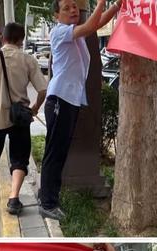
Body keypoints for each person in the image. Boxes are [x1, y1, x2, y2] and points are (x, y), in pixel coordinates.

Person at [38, 0, 122, 220]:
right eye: (66, 8)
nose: (73, 10)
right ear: (56, 16)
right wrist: (103, 2)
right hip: (60, 100)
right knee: (55, 153)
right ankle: (48, 203)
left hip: (69, 100)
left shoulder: (74, 34)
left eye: (74, 6)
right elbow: (90, 26)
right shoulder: (60, 32)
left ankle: (48, 197)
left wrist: (115, 7)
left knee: (59, 151)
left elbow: (95, 25)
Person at [0, 22, 47, 219]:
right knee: (19, 158)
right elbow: (42, 90)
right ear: (21, 40)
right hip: (20, 117)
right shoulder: (28, 59)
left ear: (2, 37)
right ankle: (13, 199)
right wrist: (35, 108)